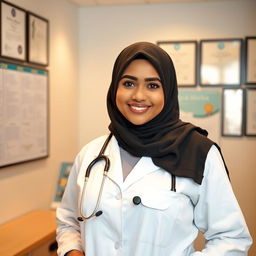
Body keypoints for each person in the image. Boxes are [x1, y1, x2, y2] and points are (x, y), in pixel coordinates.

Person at [56, 42, 252, 256]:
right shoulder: (91, 154)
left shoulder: (199, 152)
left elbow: (231, 238)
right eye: (129, 83)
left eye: (152, 85)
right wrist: (72, 251)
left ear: (167, 91)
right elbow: (68, 221)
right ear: (114, 89)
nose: (139, 95)